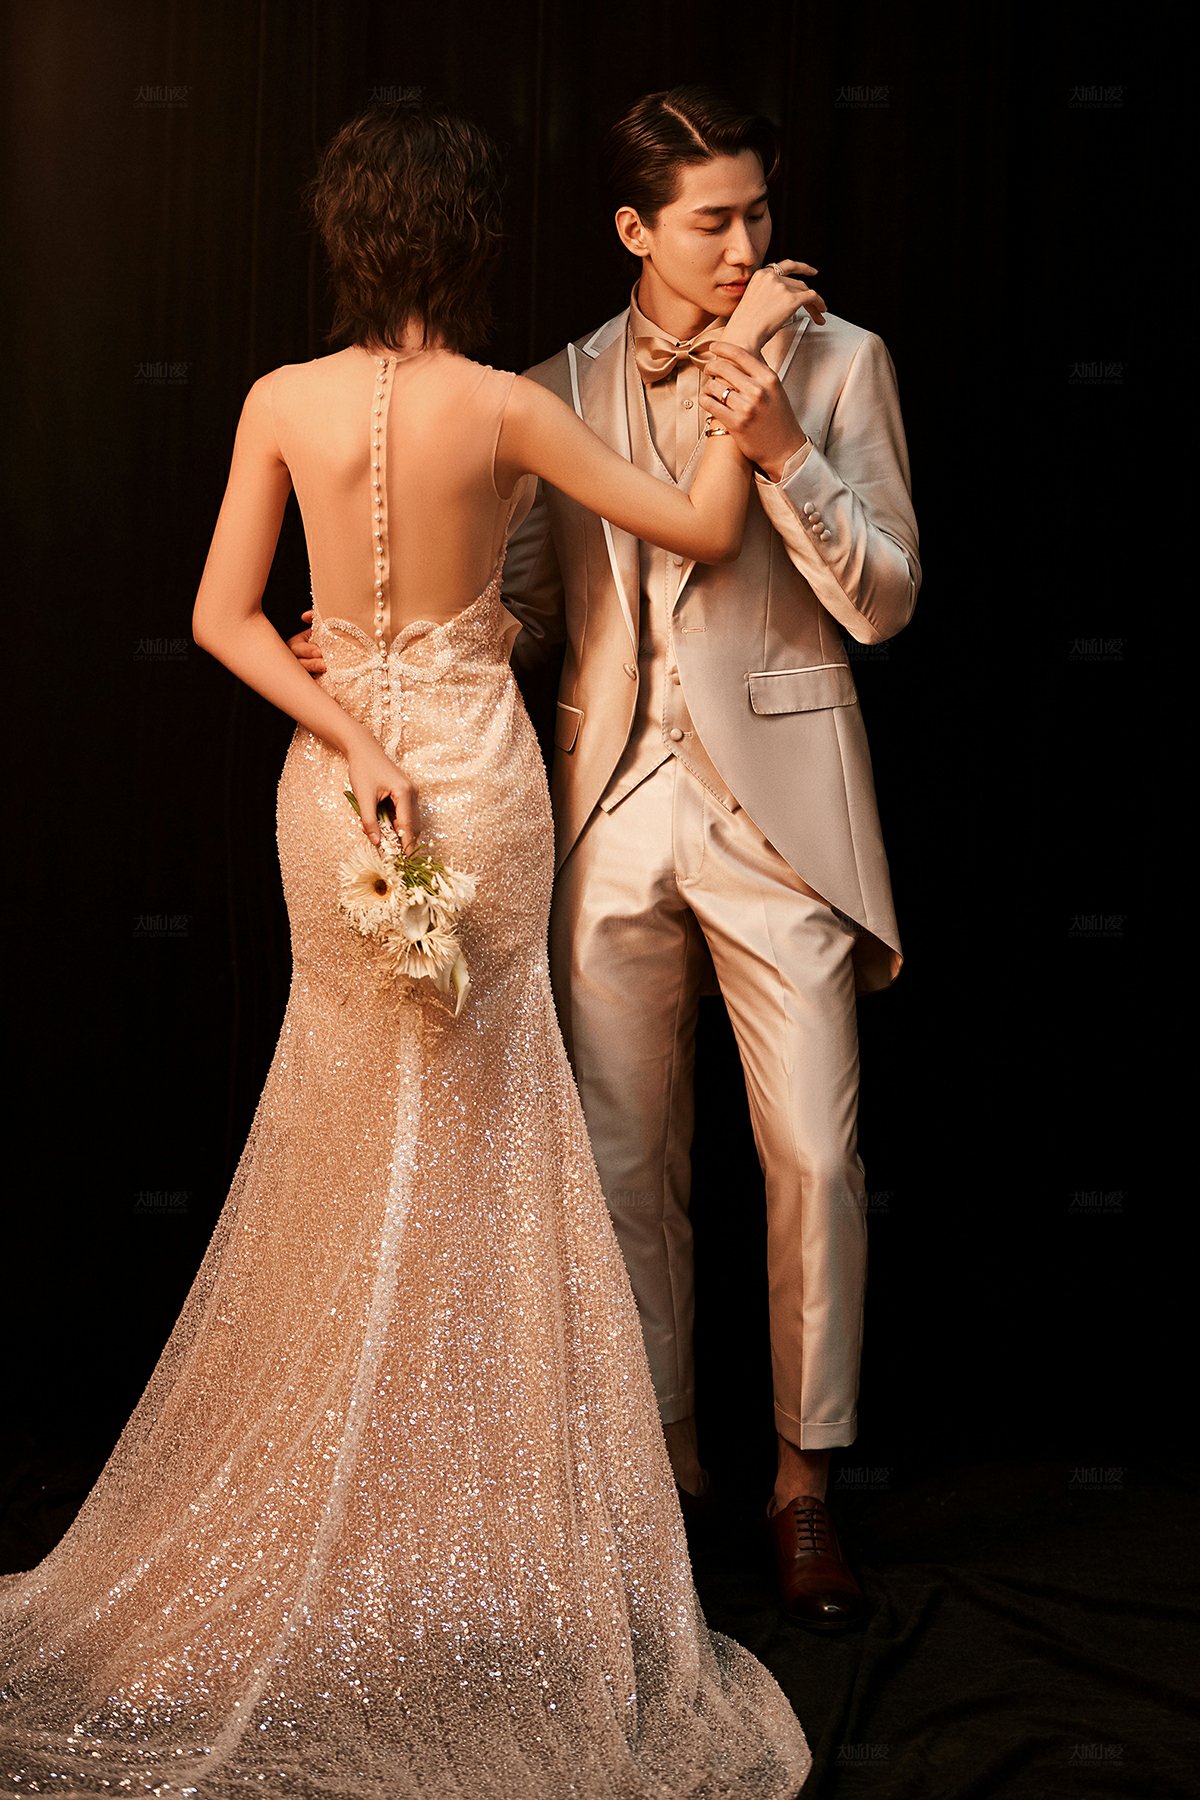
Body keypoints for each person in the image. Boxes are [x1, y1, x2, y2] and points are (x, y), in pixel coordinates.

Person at [0, 99, 815, 1797]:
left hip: (338, 790)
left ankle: (356, 1527)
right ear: (472, 241)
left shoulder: (276, 399)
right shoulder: (510, 405)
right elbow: (704, 531)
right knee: (487, 1139)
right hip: (481, 790)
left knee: (341, 1119)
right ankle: (458, 1547)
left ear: (347, 240)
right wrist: (743, 391)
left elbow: (221, 617)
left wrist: (353, 734)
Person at [295, 86, 919, 1632]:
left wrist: (782, 445)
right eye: (713, 220)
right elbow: (508, 602)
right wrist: (372, 651)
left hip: (785, 825)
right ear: (636, 229)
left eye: (759, 213)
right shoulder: (547, 384)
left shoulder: (844, 363)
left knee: (817, 1159)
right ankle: (665, 1484)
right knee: (625, 1170)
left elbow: (887, 599)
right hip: (604, 808)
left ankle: (804, 1486)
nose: (745, 246)